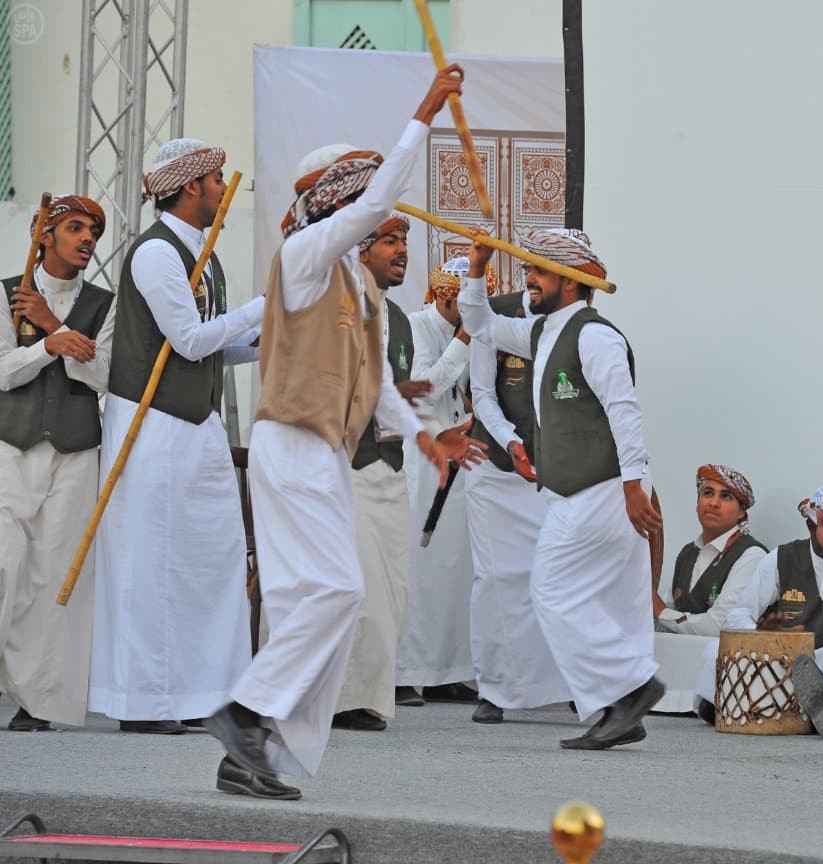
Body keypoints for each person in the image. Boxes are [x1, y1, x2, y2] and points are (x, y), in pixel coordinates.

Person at [204, 67, 484, 800]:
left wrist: (428, 440)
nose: (374, 219)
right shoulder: (300, 261)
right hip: (289, 446)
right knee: (335, 591)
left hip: (323, 458)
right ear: (338, 204)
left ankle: (252, 746)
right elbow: (378, 201)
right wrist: (423, 114)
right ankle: (245, 714)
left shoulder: (363, 292)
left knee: (327, 600)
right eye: (361, 204)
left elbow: (380, 390)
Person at [459, 227, 665, 750]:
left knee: (550, 589)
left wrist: (635, 485)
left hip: (601, 491)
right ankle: (621, 707)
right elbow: (480, 326)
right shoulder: (543, 333)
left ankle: (633, 689)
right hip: (580, 493)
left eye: (539, 272)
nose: (529, 279)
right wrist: (478, 269)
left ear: (570, 283)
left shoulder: (596, 337)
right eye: (529, 270)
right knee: (576, 594)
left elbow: (624, 411)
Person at [91, 140, 263, 735]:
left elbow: (213, 347)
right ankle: (144, 701)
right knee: (152, 562)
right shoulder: (155, 254)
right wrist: (263, 305)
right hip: (152, 426)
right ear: (190, 187)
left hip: (196, 426)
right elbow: (189, 340)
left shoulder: (204, 254)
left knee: (205, 560)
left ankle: (197, 693)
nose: (221, 190)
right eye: (215, 180)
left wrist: (267, 336)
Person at [0, 195, 111, 731]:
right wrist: (51, 343)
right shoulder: (6, 294)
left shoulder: (105, 305)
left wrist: (54, 332)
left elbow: (107, 376)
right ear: (44, 236)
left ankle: (37, 702)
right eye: (74, 228)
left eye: (93, 230)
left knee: (55, 574)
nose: (87, 238)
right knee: (5, 564)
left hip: (75, 453)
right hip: (11, 447)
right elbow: (2, 373)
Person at [332, 214, 427, 732]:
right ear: (362, 251)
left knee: (394, 590)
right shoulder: (344, 310)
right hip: (348, 467)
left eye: (405, 241)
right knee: (360, 589)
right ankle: (340, 697)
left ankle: (367, 694)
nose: (401, 250)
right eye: (389, 240)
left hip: (390, 469)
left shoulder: (403, 321)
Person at [707, 484, 823, 740]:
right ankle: (729, 706)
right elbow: (739, 613)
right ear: (812, 527)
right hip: (792, 662)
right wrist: (762, 636)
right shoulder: (782, 558)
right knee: (712, 648)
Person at [463, 270, 569, 723]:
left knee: (555, 577)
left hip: (553, 473)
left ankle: (566, 684)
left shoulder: (578, 326)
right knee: (495, 579)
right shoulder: (497, 315)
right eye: (532, 272)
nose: (534, 281)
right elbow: (482, 394)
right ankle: (495, 688)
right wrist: (510, 440)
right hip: (496, 468)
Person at [396, 258, 476, 706]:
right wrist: (464, 341)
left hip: (458, 455)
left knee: (454, 567)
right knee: (418, 567)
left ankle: (447, 670)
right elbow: (425, 385)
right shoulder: (416, 325)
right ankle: (405, 672)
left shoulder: (468, 332)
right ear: (445, 298)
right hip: (422, 457)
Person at [655, 465, 768, 636]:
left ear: (741, 513)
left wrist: (661, 612)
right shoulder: (687, 553)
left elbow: (721, 626)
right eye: (707, 493)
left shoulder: (752, 555)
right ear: (697, 503)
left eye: (726, 496)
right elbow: (666, 624)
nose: (714, 503)